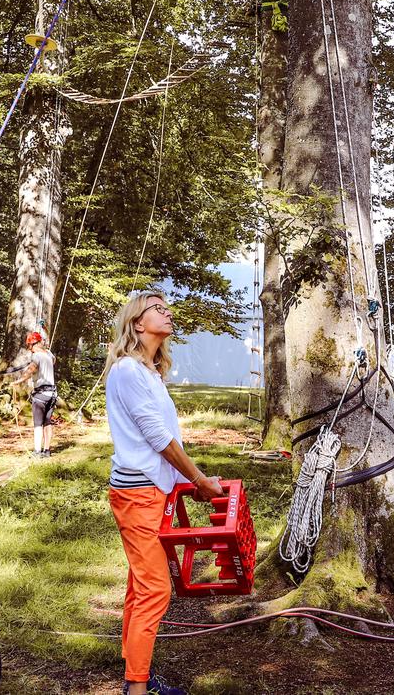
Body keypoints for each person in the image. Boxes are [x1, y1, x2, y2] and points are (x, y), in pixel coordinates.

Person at [104, 291, 224, 695]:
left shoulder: (150, 372)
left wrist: (190, 482)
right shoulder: (127, 371)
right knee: (155, 588)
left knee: (141, 586)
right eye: (157, 307)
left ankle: (135, 676)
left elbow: (163, 438)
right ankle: (137, 689)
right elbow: (159, 439)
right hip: (137, 493)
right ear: (138, 323)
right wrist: (198, 478)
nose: (167, 311)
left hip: (153, 491)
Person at [12, 331, 57, 457]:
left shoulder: (37, 356)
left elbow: (30, 371)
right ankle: (47, 450)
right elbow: (54, 361)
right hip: (52, 394)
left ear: (33, 344)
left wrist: (18, 381)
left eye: (29, 346)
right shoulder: (48, 354)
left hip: (40, 395)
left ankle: (37, 451)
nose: (29, 349)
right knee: (47, 423)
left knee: (38, 424)